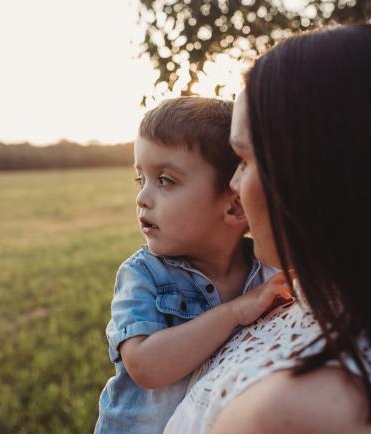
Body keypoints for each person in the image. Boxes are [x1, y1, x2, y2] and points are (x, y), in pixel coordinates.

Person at [165, 25, 371, 434]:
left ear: (314, 177)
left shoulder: (291, 414)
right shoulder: (325, 304)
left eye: (244, 160)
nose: (233, 185)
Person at [94, 97, 291, 434]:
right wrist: (232, 313)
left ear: (234, 207)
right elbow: (145, 366)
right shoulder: (145, 274)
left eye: (165, 180)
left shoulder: (263, 268)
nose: (142, 197)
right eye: (140, 179)